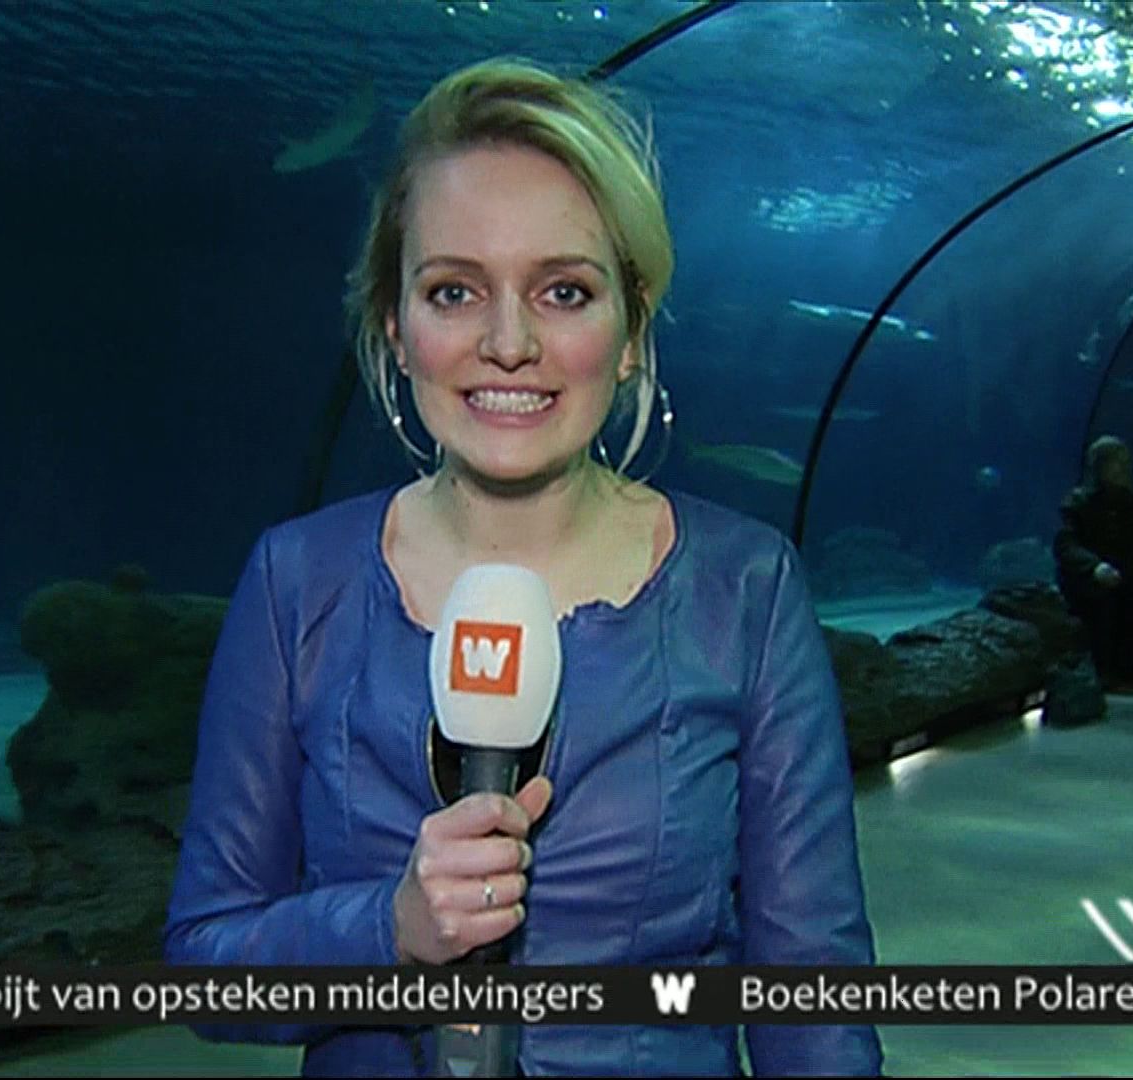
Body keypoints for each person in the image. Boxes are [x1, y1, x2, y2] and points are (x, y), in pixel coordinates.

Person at [161, 58, 882, 1077]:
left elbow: (812, 996)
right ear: (395, 326)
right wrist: (387, 929)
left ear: (630, 329)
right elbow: (205, 968)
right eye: (454, 290)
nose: (509, 343)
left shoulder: (747, 588)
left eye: (564, 291)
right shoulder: (295, 582)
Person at [1052, 435, 1133, 691]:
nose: (1121, 469)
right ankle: (1105, 672)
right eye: (1114, 463)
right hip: (1088, 578)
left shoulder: (1132, 504)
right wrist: (1094, 567)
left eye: (1124, 463)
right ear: (1098, 466)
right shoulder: (1078, 503)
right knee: (1103, 605)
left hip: (1126, 575)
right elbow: (1066, 546)